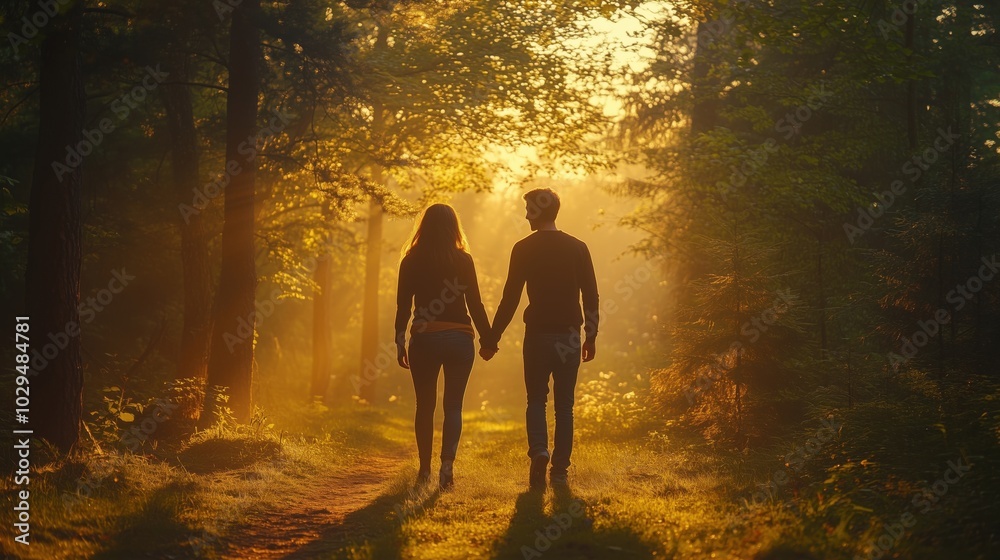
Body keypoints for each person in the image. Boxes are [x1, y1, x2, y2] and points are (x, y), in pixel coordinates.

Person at [481, 188, 599, 489]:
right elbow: (591, 295)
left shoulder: (523, 248)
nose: (525, 215)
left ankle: (539, 451)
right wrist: (591, 334)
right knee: (565, 406)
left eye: (528, 209)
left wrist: (492, 339)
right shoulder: (578, 247)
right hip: (570, 337)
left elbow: (510, 299)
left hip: (537, 336)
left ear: (537, 211)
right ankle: (559, 472)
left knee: (536, 399)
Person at [394, 204, 492, 489]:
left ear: (423, 226)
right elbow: (475, 303)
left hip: (424, 339)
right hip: (459, 339)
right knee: (454, 406)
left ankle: (424, 470)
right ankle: (446, 464)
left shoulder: (411, 260)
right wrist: (488, 339)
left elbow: (403, 305)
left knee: (424, 406)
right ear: (454, 228)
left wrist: (399, 339)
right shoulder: (463, 260)